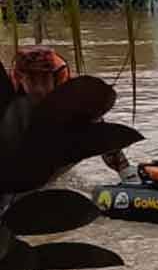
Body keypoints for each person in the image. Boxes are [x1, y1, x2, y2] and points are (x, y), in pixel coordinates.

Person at [8, 45, 139, 183]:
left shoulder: (71, 98)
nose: (40, 89)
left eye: (45, 80)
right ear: (21, 78)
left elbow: (102, 137)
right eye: (33, 81)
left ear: (55, 78)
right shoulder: (11, 96)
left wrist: (127, 174)